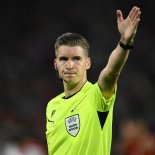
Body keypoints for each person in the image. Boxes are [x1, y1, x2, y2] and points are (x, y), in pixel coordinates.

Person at [46, 6, 141, 155]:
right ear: (55, 64)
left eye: (77, 59)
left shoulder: (97, 96)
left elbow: (111, 72)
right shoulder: (52, 106)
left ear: (88, 63)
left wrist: (124, 42)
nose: (70, 65)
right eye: (63, 59)